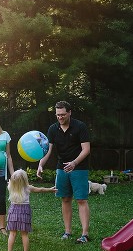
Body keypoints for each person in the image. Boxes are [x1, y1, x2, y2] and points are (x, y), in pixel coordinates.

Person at [37, 100, 92, 243]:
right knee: (65, 198)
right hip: (61, 168)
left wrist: (74, 163)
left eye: (62, 114)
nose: (60, 117)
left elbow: (86, 149)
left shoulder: (80, 127)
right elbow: (48, 151)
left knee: (81, 199)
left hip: (79, 167)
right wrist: (41, 164)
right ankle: (67, 231)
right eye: (57, 115)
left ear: (69, 112)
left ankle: (85, 234)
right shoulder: (53, 129)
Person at [6, 169, 55, 251]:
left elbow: (10, 183)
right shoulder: (28, 188)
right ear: (25, 180)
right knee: (24, 234)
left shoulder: (10, 187)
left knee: (12, 233)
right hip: (24, 211)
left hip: (13, 211)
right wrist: (50, 189)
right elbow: (41, 190)